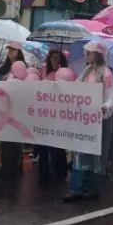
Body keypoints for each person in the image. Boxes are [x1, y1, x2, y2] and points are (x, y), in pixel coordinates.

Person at [63, 41, 113, 202]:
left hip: (97, 120)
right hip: (84, 119)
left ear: (97, 54)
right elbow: (76, 88)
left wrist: (104, 107)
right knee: (80, 152)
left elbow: (110, 96)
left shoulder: (106, 73)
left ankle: (92, 187)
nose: (86, 55)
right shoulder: (86, 71)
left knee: (94, 154)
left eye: (89, 53)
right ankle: (77, 187)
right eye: (86, 53)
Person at [0, 42, 26, 178]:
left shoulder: (23, 68)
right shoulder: (4, 68)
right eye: (9, 50)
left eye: (13, 50)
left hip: (17, 109)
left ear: (18, 52)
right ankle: (5, 165)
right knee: (5, 139)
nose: (10, 52)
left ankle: (15, 166)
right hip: (3, 108)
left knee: (15, 139)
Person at [37, 49, 69, 184]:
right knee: (43, 146)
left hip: (59, 114)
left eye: (57, 58)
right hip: (44, 113)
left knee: (57, 146)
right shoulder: (44, 70)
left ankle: (60, 172)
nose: (54, 60)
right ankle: (43, 174)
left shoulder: (66, 72)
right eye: (52, 57)